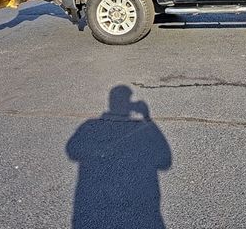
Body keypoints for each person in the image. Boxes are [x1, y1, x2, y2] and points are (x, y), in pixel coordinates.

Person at [66, 85, 172, 229]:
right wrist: (147, 118)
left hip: (96, 211)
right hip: (137, 212)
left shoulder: (90, 126)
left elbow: (72, 150)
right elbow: (164, 160)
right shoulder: (140, 128)